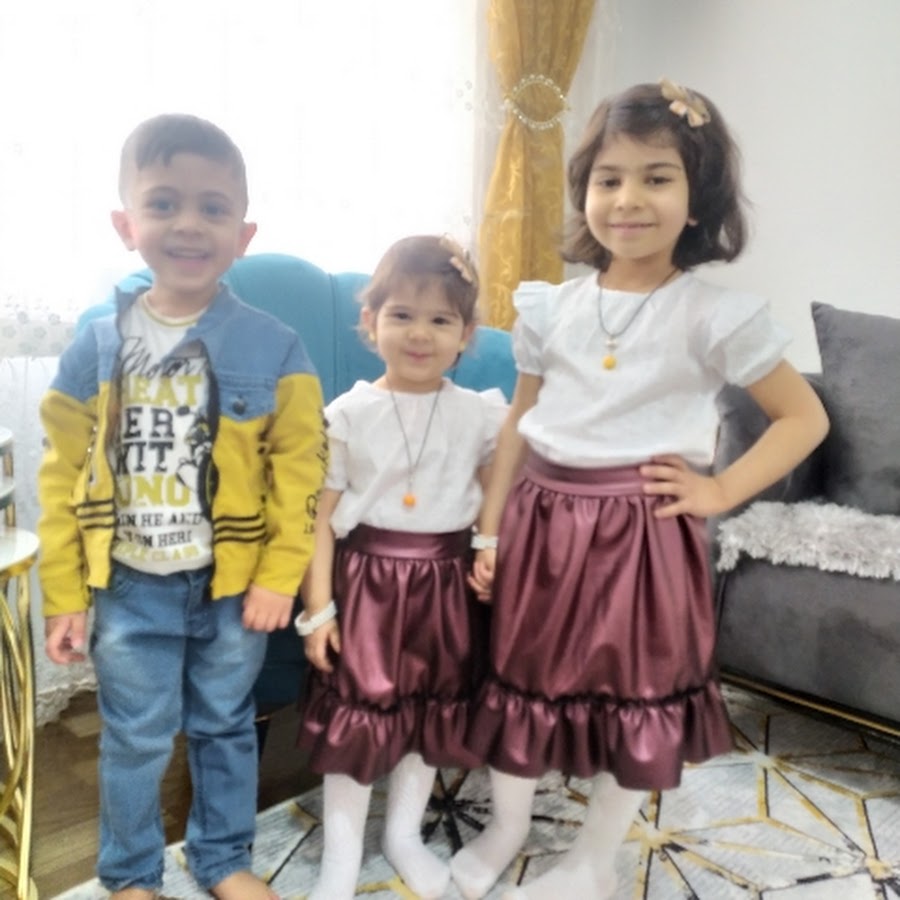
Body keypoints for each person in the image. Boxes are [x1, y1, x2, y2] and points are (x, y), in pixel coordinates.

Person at [450, 79, 830, 900]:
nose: (628, 199)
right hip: (542, 520)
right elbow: (518, 422)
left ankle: (593, 859)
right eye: (609, 178)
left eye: (657, 177)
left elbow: (804, 419)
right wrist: (489, 529)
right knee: (520, 674)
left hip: (643, 534)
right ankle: (507, 827)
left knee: (635, 693)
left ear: (697, 197)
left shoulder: (715, 315)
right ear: (585, 190)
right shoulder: (549, 308)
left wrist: (720, 489)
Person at [37, 113, 327, 900]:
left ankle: (222, 858)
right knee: (134, 738)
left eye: (212, 207)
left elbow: (300, 472)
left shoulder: (276, 346)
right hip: (130, 589)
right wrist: (64, 594)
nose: (189, 224)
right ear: (126, 224)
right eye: (163, 203)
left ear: (243, 233)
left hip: (233, 591)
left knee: (225, 727)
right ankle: (131, 873)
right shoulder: (95, 347)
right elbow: (61, 477)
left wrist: (280, 576)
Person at [296, 235, 507, 900]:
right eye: (403, 315)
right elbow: (319, 518)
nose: (420, 334)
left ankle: (403, 835)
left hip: (447, 588)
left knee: (429, 714)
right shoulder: (347, 414)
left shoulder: (480, 413)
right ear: (371, 322)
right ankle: (340, 857)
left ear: (466, 334)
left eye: (441, 319)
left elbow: (495, 496)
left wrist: (489, 546)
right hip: (369, 586)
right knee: (358, 718)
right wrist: (318, 611)